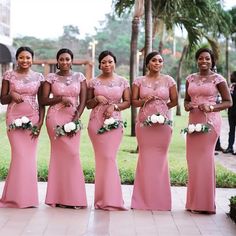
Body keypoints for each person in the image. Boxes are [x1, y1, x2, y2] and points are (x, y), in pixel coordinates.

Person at [184, 47, 232, 214]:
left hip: (210, 122)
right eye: (200, 58)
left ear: (212, 61)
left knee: (205, 159)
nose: (203, 61)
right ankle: (192, 202)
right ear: (196, 60)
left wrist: (211, 107)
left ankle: (205, 204)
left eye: (207, 59)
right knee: (193, 161)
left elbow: (228, 102)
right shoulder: (190, 78)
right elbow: (186, 101)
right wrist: (188, 106)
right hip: (193, 121)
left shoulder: (218, 79)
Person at [130, 51, 178, 211]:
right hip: (144, 125)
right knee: (145, 159)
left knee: (160, 160)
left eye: (160, 61)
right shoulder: (139, 81)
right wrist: (145, 101)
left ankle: (161, 201)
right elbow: (134, 102)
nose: (157, 63)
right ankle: (142, 201)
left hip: (163, 126)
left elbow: (174, 101)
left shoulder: (169, 80)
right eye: (154, 60)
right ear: (148, 63)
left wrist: (162, 110)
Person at [41, 48, 87, 208]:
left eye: (67, 59)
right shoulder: (50, 78)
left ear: (72, 60)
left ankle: (74, 198)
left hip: (73, 118)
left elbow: (83, 102)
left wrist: (76, 119)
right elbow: (43, 100)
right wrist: (60, 98)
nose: (65, 62)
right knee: (59, 156)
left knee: (73, 155)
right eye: (61, 59)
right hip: (55, 118)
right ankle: (57, 198)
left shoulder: (80, 77)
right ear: (57, 61)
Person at [0, 46, 45, 208]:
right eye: (21, 57)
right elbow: (2, 100)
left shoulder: (39, 77)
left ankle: (28, 198)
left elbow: (42, 102)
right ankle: (13, 197)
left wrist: (40, 123)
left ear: (32, 59)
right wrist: (11, 94)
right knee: (19, 156)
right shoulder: (9, 75)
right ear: (16, 59)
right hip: (13, 117)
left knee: (29, 158)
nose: (24, 60)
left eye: (28, 57)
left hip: (33, 118)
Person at [87, 50, 130, 210]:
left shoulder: (122, 81)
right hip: (96, 123)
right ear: (99, 64)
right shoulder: (93, 82)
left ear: (115, 63)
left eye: (110, 61)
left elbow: (127, 102)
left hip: (115, 123)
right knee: (102, 159)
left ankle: (113, 200)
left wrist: (115, 106)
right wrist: (96, 99)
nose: (107, 64)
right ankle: (101, 200)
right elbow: (87, 105)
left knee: (109, 157)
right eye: (104, 62)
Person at [223, 71, 236, 155]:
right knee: (231, 130)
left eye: (232, 76)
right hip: (231, 112)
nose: (231, 77)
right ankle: (230, 147)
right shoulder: (231, 86)